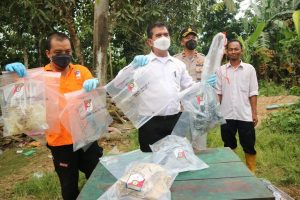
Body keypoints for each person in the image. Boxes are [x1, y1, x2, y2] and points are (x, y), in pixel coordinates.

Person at [5, 32, 102, 200]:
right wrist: (12, 76)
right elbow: (18, 99)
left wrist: (95, 85)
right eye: (58, 52)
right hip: (60, 142)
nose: (64, 56)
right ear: (48, 53)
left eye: (68, 51)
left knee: (98, 178)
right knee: (69, 186)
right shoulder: (39, 77)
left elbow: (95, 98)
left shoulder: (81, 71)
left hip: (86, 137)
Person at [115, 22, 216, 152]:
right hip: (149, 123)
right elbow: (118, 83)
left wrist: (204, 84)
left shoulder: (178, 64)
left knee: (176, 160)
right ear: (150, 42)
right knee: (151, 164)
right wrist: (132, 67)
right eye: (158, 35)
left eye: (166, 34)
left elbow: (189, 88)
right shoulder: (142, 64)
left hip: (175, 120)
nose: (163, 38)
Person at [216, 39, 258, 174]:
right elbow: (219, 93)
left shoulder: (249, 69)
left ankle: (251, 171)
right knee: (228, 144)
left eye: (236, 49)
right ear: (227, 52)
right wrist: (217, 111)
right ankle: (231, 172)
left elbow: (253, 93)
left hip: (244, 114)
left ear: (241, 51)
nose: (233, 51)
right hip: (226, 114)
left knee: (249, 145)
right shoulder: (221, 70)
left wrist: (254, 113)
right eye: (230, 49)